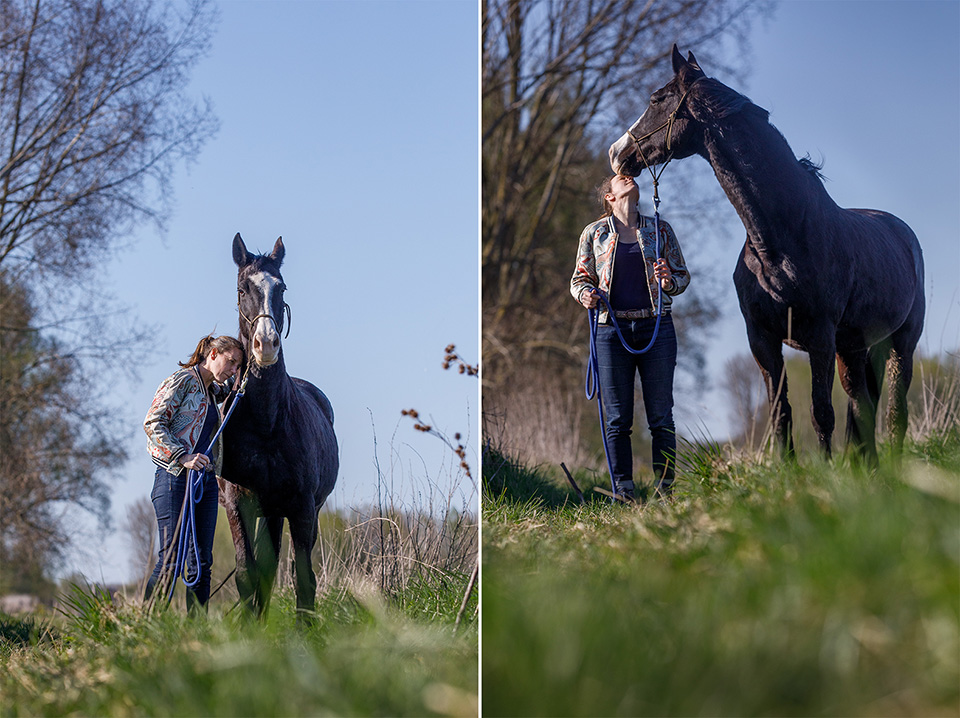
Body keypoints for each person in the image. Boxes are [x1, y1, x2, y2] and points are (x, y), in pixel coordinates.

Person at [570, 174, 690, 501]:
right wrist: (586, 295)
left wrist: (668, 282)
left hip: (656, 328)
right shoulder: (593, 233)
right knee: (618, 418)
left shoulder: (660, 229)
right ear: (610, 197)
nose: (627, 176)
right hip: (611, 331)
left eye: (631, 176)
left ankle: (665, 489)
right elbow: (579, 280)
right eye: (618, 178)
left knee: (661, 416)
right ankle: (623, 491)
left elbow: (682, 277)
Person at [142, 334, 244, 608]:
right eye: (230, 362)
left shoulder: (213, 390)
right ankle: (146, 625)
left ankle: (196, 633)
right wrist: (182, 456)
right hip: (174, 478)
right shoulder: (183, 380)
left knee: (201, 560)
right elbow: (153, 423)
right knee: (171, 559)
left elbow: (236, 386)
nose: (233, 369)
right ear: (213, 354)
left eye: (237, 365)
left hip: (205, 482)